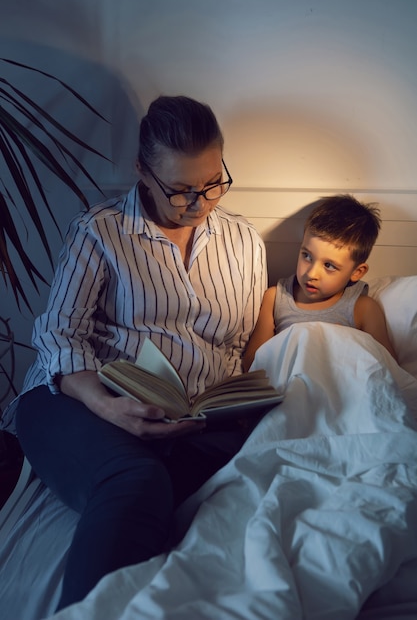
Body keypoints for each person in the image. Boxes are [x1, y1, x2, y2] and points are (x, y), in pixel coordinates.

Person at [4, 95, 267, 610]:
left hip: (186, 420)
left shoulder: (244, 242)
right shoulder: (99, 231)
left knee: (218, 480)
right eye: (181, 190)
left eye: (213, 182)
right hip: (77, 398)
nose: (199, 203)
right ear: (142, 172)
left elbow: (235, 346)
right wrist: (107, 405)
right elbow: (60, 337)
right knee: (136, 481)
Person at [243, 194, 396, 371]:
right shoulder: (276, 297)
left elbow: (388, 368)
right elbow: (253, 362)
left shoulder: (362, 308)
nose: (311, 273)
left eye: (329, 265)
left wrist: (339, 343)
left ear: (356, 272)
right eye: (307, 256)